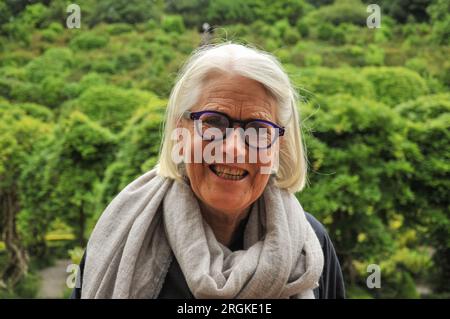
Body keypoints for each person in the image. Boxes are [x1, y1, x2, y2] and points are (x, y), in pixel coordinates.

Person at [72, 43, 345, 299]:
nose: (234, 149)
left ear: (278, 146)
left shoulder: (310, 244)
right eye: (214, 122)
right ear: (181, 130)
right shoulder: (123, 235)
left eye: (259, 129)